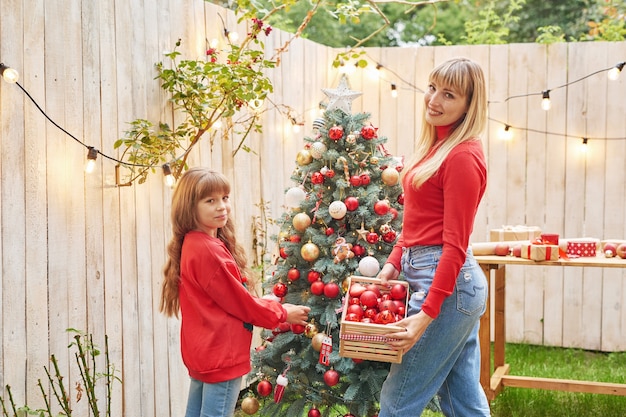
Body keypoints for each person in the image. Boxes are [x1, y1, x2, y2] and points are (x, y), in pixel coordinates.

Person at [377, 57, 491, 417]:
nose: (434, 100)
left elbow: (454, 245)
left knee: (397, 401)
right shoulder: (433, 148)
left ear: (469, 105)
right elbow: (416, 221)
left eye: (449, 94)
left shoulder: (461, 157)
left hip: (448, 284)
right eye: (432, 88)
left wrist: (426, 314)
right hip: (436, 277)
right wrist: (394, 263)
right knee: (462, 401)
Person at [160, 167, 310, 417]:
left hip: (204, 353)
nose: (222, 206)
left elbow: (224, 299)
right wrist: (282, 312)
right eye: (211, 201)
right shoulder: (209, 251)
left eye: (225, 198)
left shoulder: (194, 243)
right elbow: (241, 304)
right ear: (190, 207)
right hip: (222, 354)